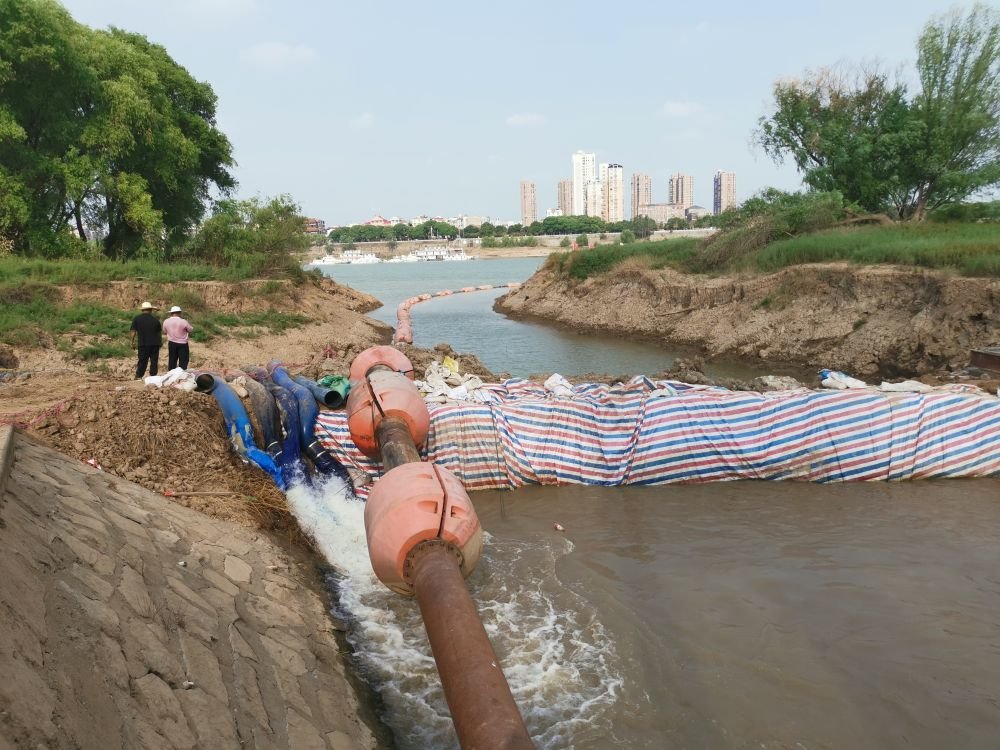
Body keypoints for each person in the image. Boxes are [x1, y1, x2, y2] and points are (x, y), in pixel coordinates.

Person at [129, 301, 161, 379]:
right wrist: (160, 342)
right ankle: (153, 376)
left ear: (142, 310)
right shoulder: (155, 320)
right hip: (155, 343)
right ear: (151, 310)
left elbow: (133, 331)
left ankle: (139, 376)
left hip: (143, 343)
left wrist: (132, 342)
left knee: (142, 360)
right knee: (154, 361)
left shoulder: (137, 319)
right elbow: (159, 333)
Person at [163, 305, 194, 370]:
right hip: (182, 343)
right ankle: (181, 373)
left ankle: (171, 373)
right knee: (183, 360)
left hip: (171, 343)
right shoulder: (183, 321)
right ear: (179, 313)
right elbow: (190, 330)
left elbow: (164, 331)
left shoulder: (166, 321)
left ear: (171, 313)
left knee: (172, 360)